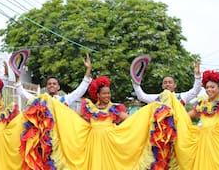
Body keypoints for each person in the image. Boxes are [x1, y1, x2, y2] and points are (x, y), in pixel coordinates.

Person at [20, 75, 177, 169]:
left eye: (109, 93)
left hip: (110, 143)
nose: (108, 96)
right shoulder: (89, 107)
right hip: (93, 144)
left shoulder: (114, 109)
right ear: (98, 94)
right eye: (105, 93)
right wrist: (57, 115)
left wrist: (150, 112)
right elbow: (72, 116)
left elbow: (132, 120)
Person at [14, 53, 92, 107]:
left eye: (54, 84)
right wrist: (17, 78)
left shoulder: (64, 99)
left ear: (58, 87)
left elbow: (79, 91)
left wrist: (88, 69)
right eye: (49, 84)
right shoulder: (41, 100)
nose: (52, 85)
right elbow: (23, 93)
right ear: (46, 87)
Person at [132, 61, 202, 105]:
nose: (167, 84)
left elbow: (196, 90)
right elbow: (142, 96)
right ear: (162, 86)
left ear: (175, 85)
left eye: (170, 82)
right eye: (165, 83)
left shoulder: (182, 97)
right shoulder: (157, 98)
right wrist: (135, 81)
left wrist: (197, 75)